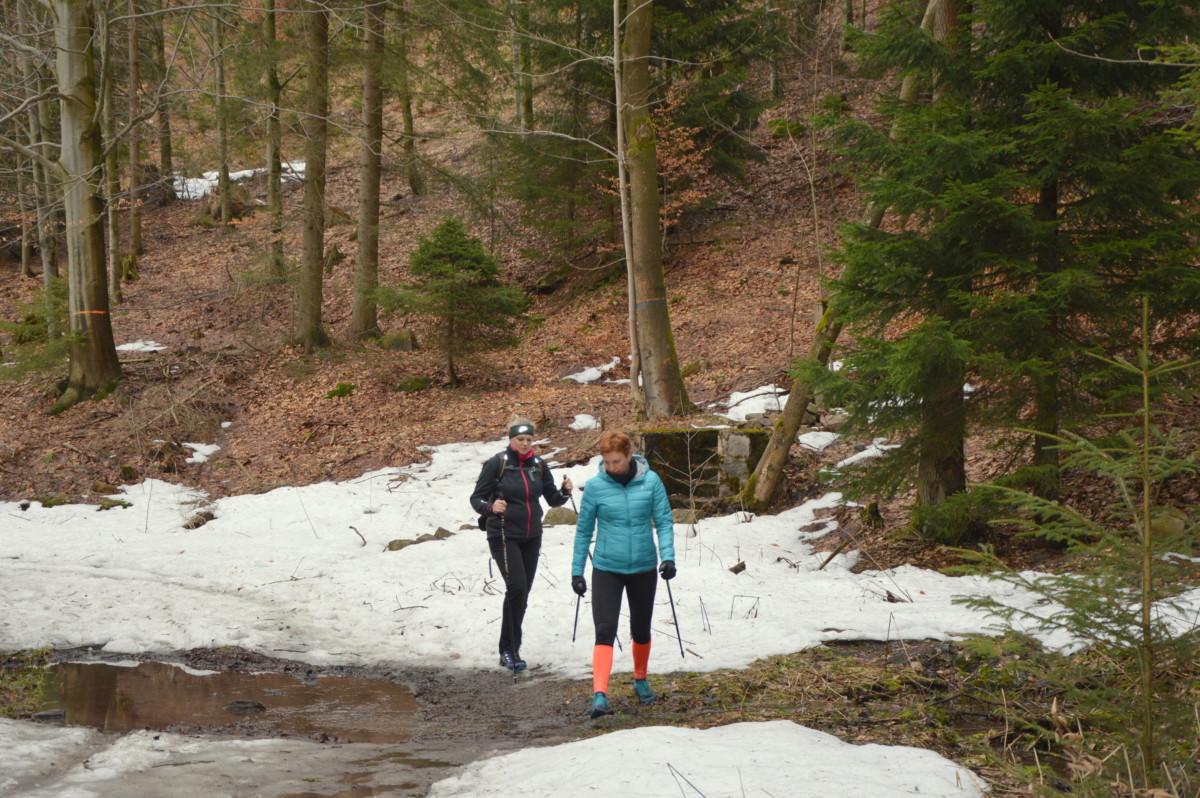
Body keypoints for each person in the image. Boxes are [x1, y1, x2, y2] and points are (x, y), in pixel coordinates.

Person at [571, 431, 675, 719]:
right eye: (607, 462)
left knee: (641, 629)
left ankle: (640, 679)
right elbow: (583, 531)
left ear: (630, 456)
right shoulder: (595, 487)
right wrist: (577, 571)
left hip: (643, 566)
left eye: (616, 461)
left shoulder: (651, 482)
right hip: (607, 567)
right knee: (605, 629)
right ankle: (599, 695)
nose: (612, 467)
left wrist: (668, 557)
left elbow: (664, 522)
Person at [470, 418, 573, 672]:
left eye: (529, 439)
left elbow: (552, 499)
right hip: (504, 534)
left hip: (532, 536)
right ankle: (508, 649)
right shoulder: (498, 463)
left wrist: (564, 492)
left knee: (522, 592)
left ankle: (511, 647)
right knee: (516, 587)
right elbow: (477, 498)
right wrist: (491, 507)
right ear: (511, 440)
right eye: (520, 439)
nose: (525, 444)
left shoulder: (538, 465)